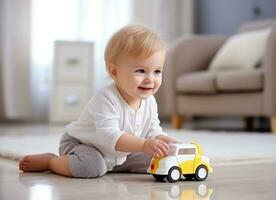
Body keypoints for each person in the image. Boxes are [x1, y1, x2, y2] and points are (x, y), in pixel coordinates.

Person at [19, 24, 178, 178]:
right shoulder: (106, 99)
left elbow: (152, 131)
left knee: (159, 159)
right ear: (114, 71)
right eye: (141, 71)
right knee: (91, 167)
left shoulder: (150, 101)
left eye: (157, 71)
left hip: (120, 153)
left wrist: (166, 142)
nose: (150, 79)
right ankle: (51, 162)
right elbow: (110, 136)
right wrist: (143, 145)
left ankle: (112, 165)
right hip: (83, 145)